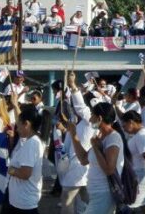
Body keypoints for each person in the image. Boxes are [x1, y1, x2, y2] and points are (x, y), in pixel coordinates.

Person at [70, 101, 125, 214]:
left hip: (104, 194)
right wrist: (73, 135)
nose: (90, 119)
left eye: (92, 115)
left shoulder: (113, 138)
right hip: (96, 193)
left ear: (99, 118)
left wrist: (95, 147)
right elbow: (83, 159)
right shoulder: (100, 136)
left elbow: (109, 169)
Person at [59, 74, 95, 214]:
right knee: (88, 200)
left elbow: (80, 107)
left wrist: (73, 85)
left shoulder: (90, 120)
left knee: (66, 202)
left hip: (78, 167)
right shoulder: (82, 122)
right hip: (81, 167)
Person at [5, 106, 45, 214]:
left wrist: (11, 170)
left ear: (26, 124)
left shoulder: (31, 144)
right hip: (21, 200)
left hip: (23, 202)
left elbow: (25, 174)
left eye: (18, 126)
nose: (17, 130)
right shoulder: (31, 141)